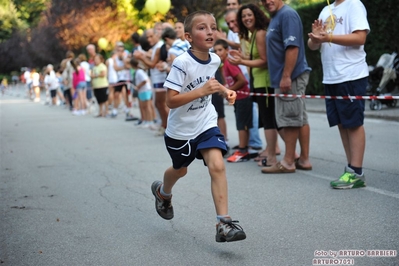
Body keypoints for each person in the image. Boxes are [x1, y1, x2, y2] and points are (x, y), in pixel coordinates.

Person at [151, 10, 246, 242]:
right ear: (188, 37)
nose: (210, 31)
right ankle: (163, 193)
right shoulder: (181, 63)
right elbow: (170, 101)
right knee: (180, 170)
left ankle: (224, 224)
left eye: (212, 27)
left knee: (217, 165)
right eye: (202, 27)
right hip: (180, 131)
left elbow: (210, 82)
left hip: (205, 122)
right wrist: (200, 92)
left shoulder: (214, 58)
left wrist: (224, 91)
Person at [307, 0, 369, 188]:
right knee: (342, 123)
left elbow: (360, 38)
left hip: (350, 74)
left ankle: (357, 171)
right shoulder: (326, 10)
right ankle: (351, 169)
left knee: (354, 123)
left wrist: (328, 38)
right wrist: (315, 39)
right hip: (331, 77)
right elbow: (313, 45)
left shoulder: (354, 4)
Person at [261, 0, 313, 173]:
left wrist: (286, 76)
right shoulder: (276, 16)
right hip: (286, 76)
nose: (267, 1)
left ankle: (288, 161)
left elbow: (292, 47)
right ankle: (304, 159)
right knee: (299, 116)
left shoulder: (287, 15)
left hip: (290, 76)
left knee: (290, 118)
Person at [229, 4, 279, 168]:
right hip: (257, 82)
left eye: (249, 15)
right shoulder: (253, 34)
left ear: (257, 15)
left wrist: (242, 61)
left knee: (270, 120)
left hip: (264, 82)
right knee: (267, 120)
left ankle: (278, 155)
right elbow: (255, 57)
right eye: (243, 16)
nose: (246, 18)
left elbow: (264, 61)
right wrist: (242, 56)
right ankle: (271, 151)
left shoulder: (260, 33)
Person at [222, 8, 264, 155]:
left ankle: (254, 145)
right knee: (247, 116)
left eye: (233, 21)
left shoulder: (253, 33)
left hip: (250, 77)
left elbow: (258, 57)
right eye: (228, 23)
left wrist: (241, 59)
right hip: (247, 75)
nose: (232, 25)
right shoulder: (237, 34)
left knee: (252, 114)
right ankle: (248, 144)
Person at [214, 39, 253, 162]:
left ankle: (243, 151)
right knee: (241, 124)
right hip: (238, 98)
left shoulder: (230, 63)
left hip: (243, 97)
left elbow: (242, 81)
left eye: (220, 50)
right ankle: (243, 147)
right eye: (215, 51)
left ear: (226, 50)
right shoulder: (224, 64)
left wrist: (228, 90)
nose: (218, 53)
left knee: (242, 125)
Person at [134, 28, 168, 136]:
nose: (149, 39)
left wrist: (141, 58)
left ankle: (167, 127)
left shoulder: (159, 47)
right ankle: (164, 125)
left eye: (151, 36)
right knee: (158, 104)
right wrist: (144, 58)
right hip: (157, 79)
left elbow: (153, 64)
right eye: (147, 37)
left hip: (161, 79)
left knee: (161, 104)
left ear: (157, 35)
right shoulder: (155, 48)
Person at [130, 57, 155, 128]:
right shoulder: (138, 71)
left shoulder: (139, 72)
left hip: (145, 90)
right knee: (144, 107)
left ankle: (150, 121)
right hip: (143, 91)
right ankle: (146, 120)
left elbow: (144, 80)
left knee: (147, 107)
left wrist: (137, 86)